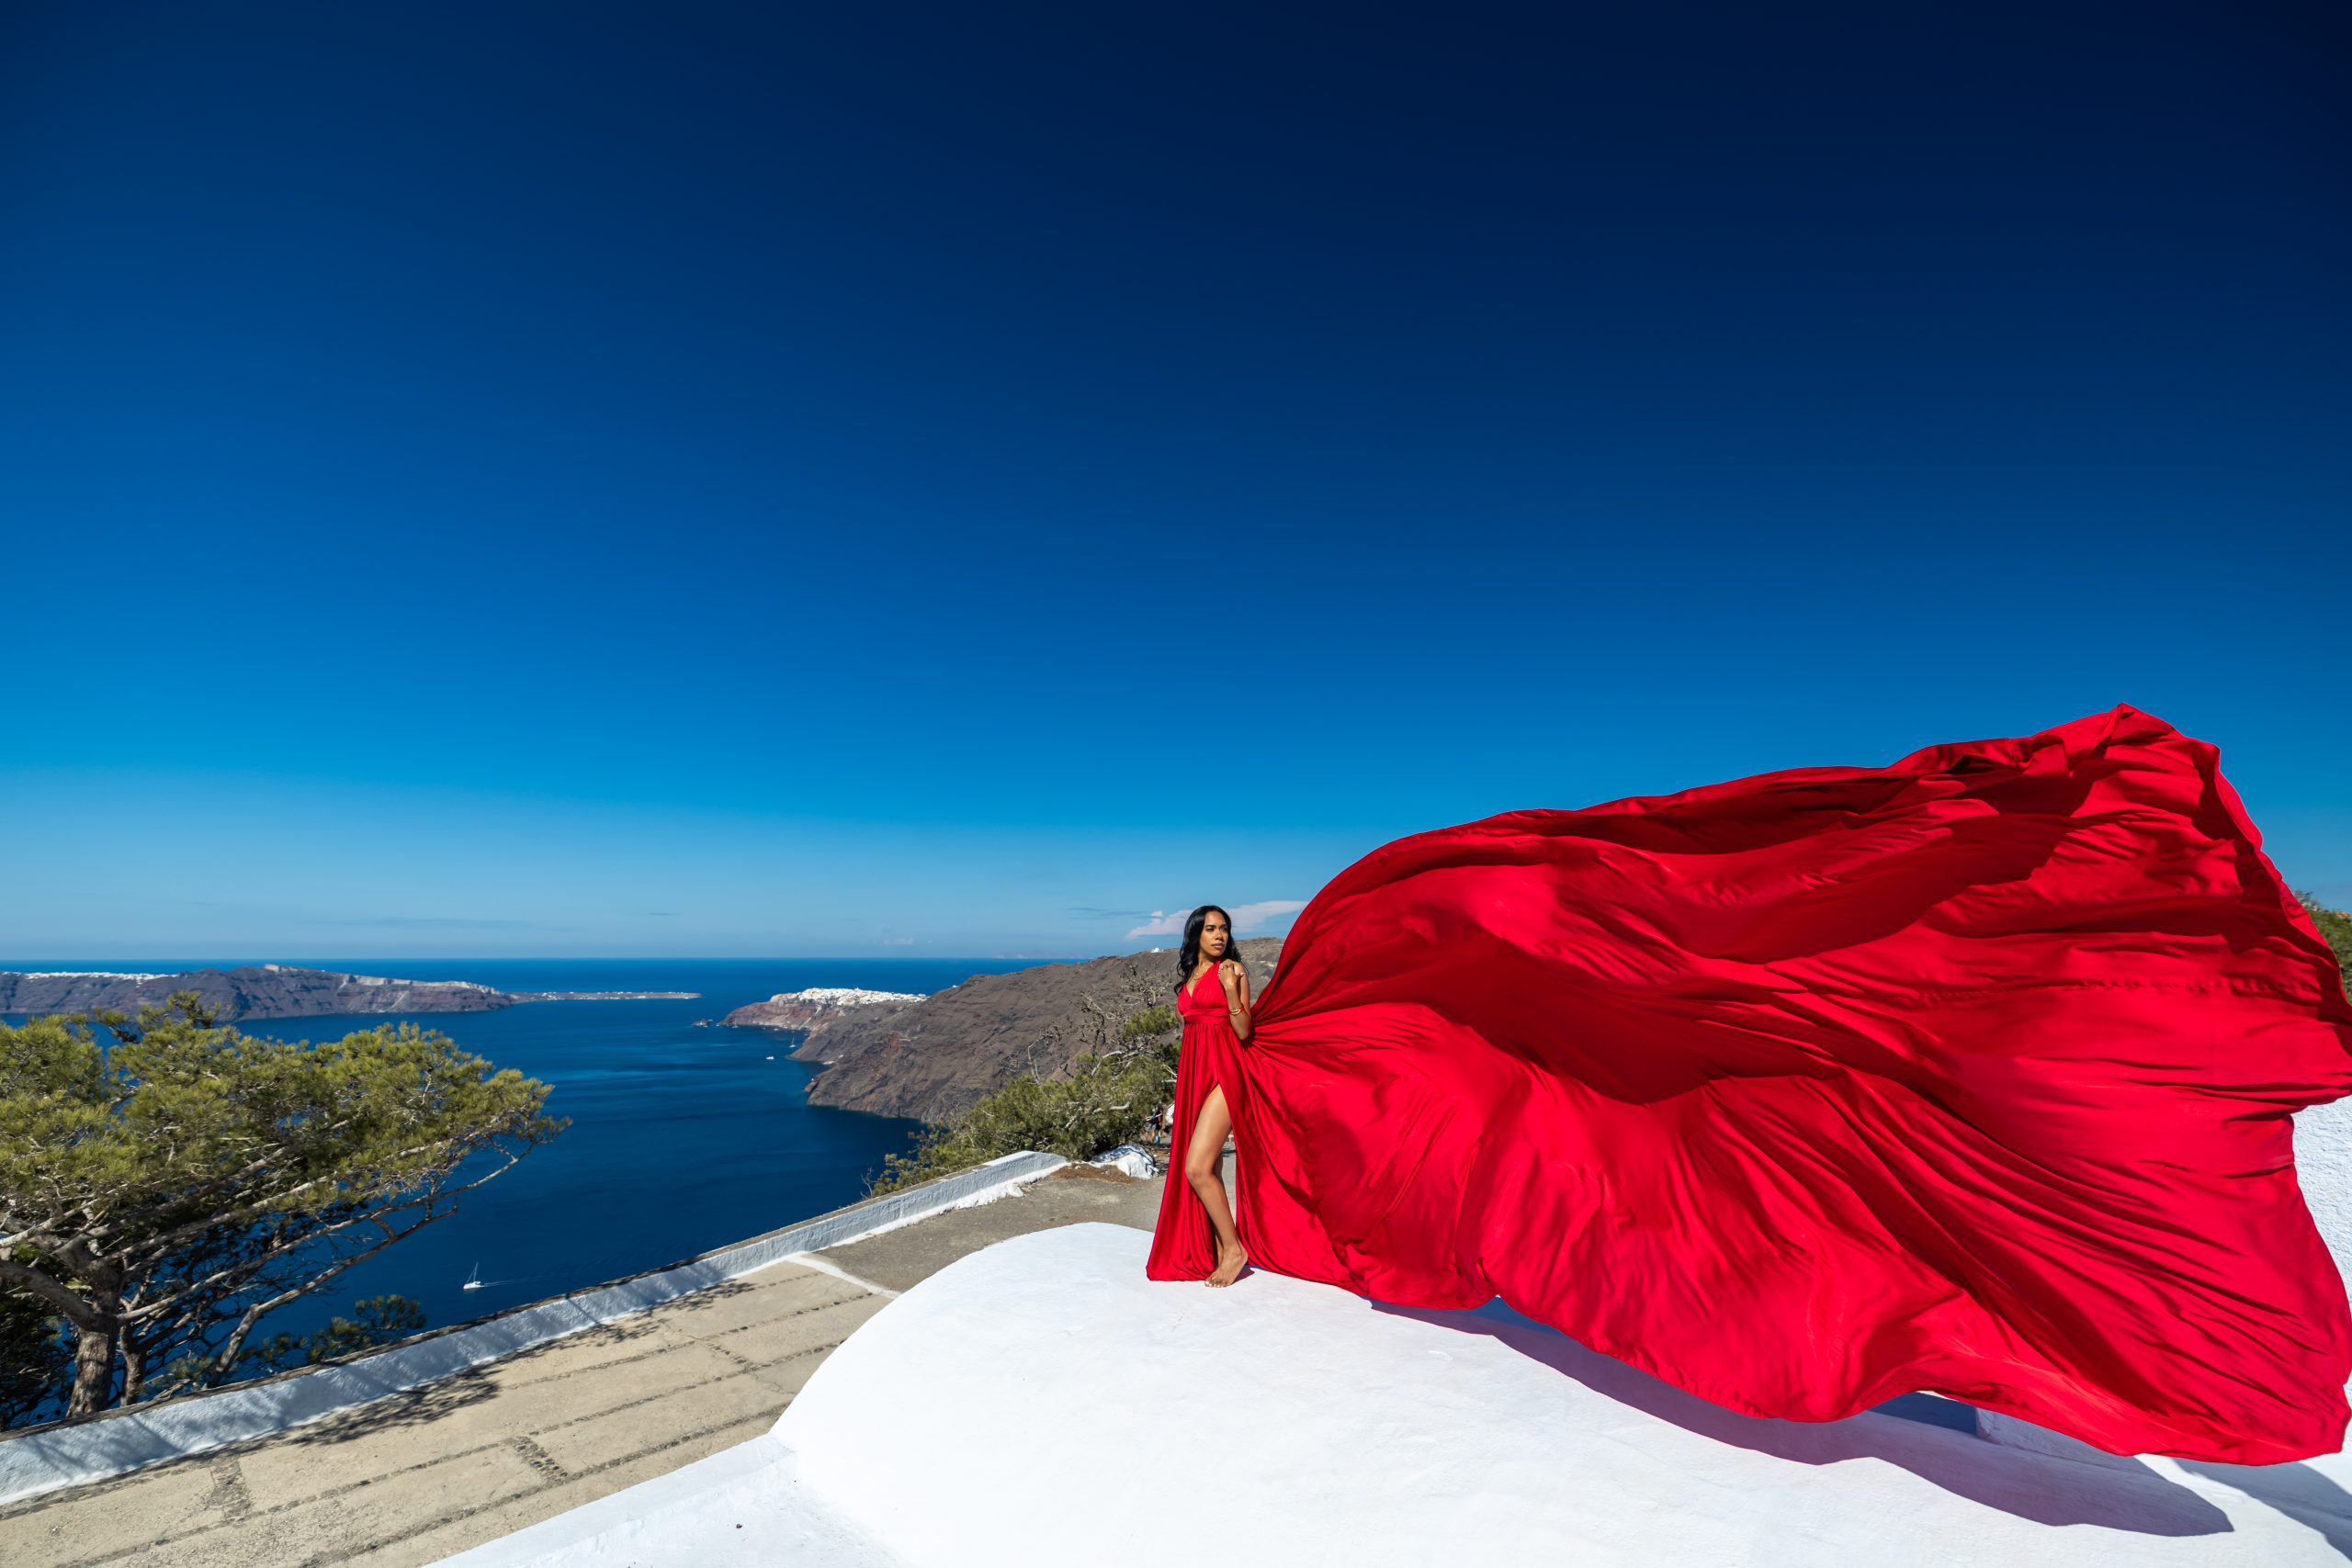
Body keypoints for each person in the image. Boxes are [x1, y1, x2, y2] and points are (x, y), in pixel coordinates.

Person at [1140, 704, 2352, 1464]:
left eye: (1211, 934)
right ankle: (1223, 1235)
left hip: (1240, 1067)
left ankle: (1230, 1242)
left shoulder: (1246, 979)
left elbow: (1256, 1026)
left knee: (1217, 1157)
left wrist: (1283, 1035)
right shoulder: (1203, 985)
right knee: (1198, 1161)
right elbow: (1227, 1028)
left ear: (1221, 943)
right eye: (1197, 938)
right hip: (1218, 1070)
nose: (1206, 945)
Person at [1143, 905, 1254, 1287]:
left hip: (1227, 1072)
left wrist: (1229, 991)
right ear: (1196, 935)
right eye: (1211, 929)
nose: (1219, 935)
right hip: (1195, 1072)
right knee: (1212, 1165)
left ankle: (1235, 1248)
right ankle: (1220, 1248)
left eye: (1224, 929)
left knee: (1195, 1167)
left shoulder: (1234, 971)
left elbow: (1242, 1030)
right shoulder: (1190, 974)